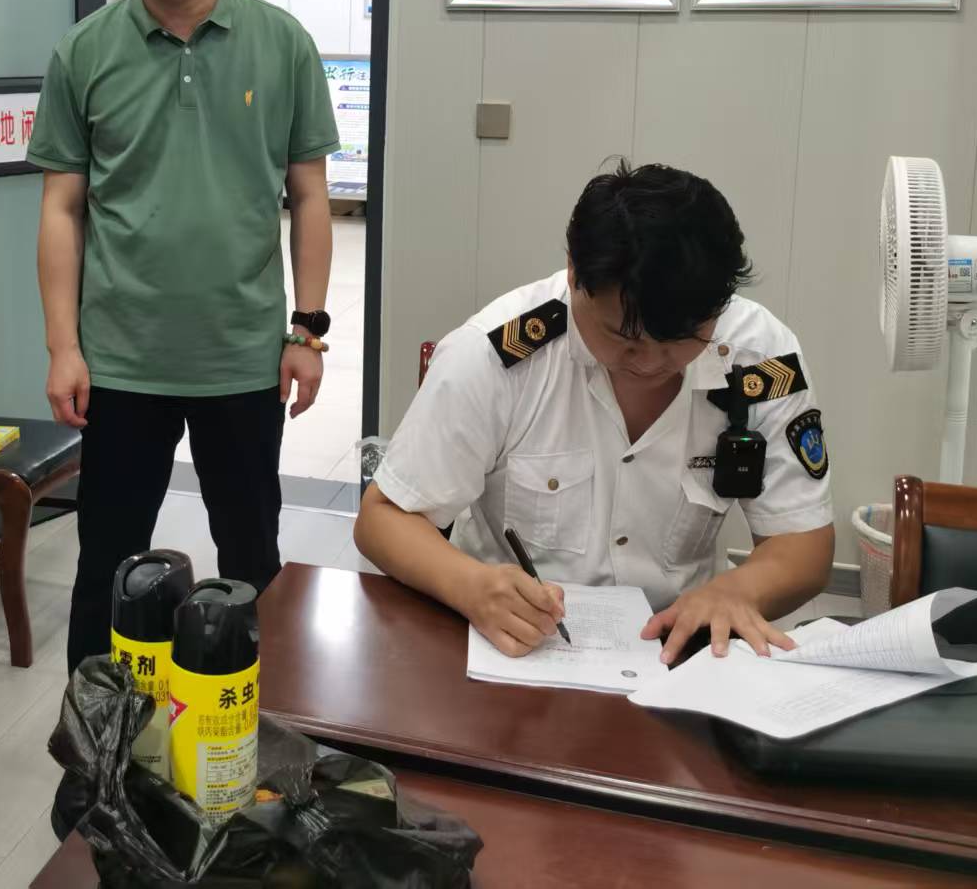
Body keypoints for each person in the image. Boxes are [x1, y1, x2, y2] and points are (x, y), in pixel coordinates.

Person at [29, 0, 341, 671]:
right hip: (121, 357)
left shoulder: (282, 43)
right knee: (108, 561)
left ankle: (260, 716)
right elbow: (62, 207)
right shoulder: (85, 51)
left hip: (241, 353)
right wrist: (63, 345)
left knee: (251, 557)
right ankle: (94, 726)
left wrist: (307, 330)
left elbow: (310, 195)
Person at [355, 162, 834, 665]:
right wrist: (471, 586)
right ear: (573, 271)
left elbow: (803, 544)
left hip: (677, 652)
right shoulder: (496, 355)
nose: (649, 363)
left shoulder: (761, 360)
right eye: (623, 338)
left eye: (681, 341)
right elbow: (382, 518)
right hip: (515, 645)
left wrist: (736, 592)